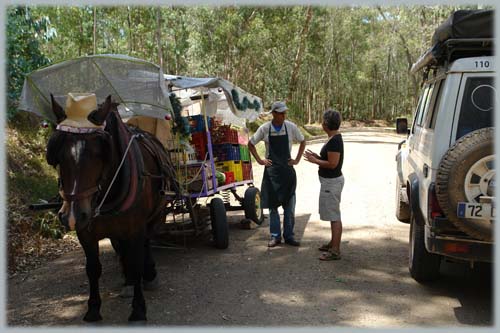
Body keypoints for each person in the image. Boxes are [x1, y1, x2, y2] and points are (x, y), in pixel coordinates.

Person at [248, 101, 306, 247]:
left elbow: (303, 141)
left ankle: (289, 236)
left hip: (287, 172)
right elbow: (251, 143)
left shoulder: (291, 127)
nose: (283, 115)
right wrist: (260, 161)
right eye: (280, 113)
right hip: (272, 173)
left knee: (289, 207)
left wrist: (297, 160)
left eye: (284, 113)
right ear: (273, 113)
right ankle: (275, 236)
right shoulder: (265, 128)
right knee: (273, 207)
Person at [303, 109, 344, 260]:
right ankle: (333, 243)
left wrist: (316, 161)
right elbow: (328, 159)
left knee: (334, 215)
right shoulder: (333, 138)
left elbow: (332, 164)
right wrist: (317, 157)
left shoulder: (335, 140)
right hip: (329, 182)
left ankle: (335, 250)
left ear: (326, 124)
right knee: (332, 213)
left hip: (331, 182)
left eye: (323, 120)